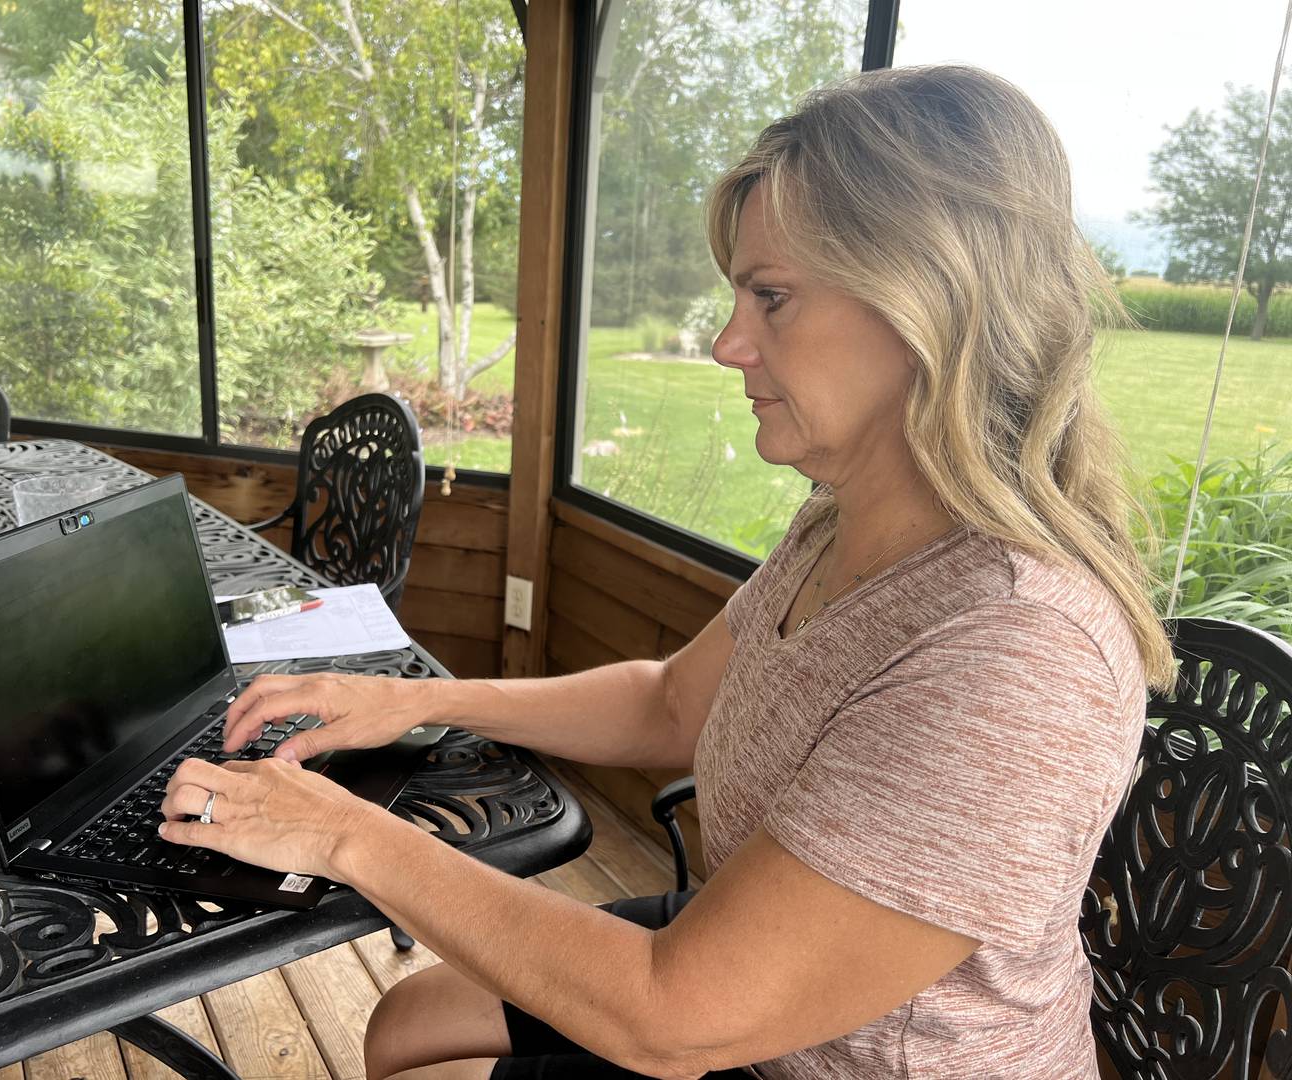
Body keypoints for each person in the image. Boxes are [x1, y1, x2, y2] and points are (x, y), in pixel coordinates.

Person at [157, 64, 1175, 1079]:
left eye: (773, 298)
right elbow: (669, 703)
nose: (731, 343)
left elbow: (676, 1014)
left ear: (932, 306)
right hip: (747, 970)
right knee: (413, 1022)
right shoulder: (841, 520)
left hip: (834, 1053)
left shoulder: (1018, 651)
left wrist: (342, 835)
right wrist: (408, 700)